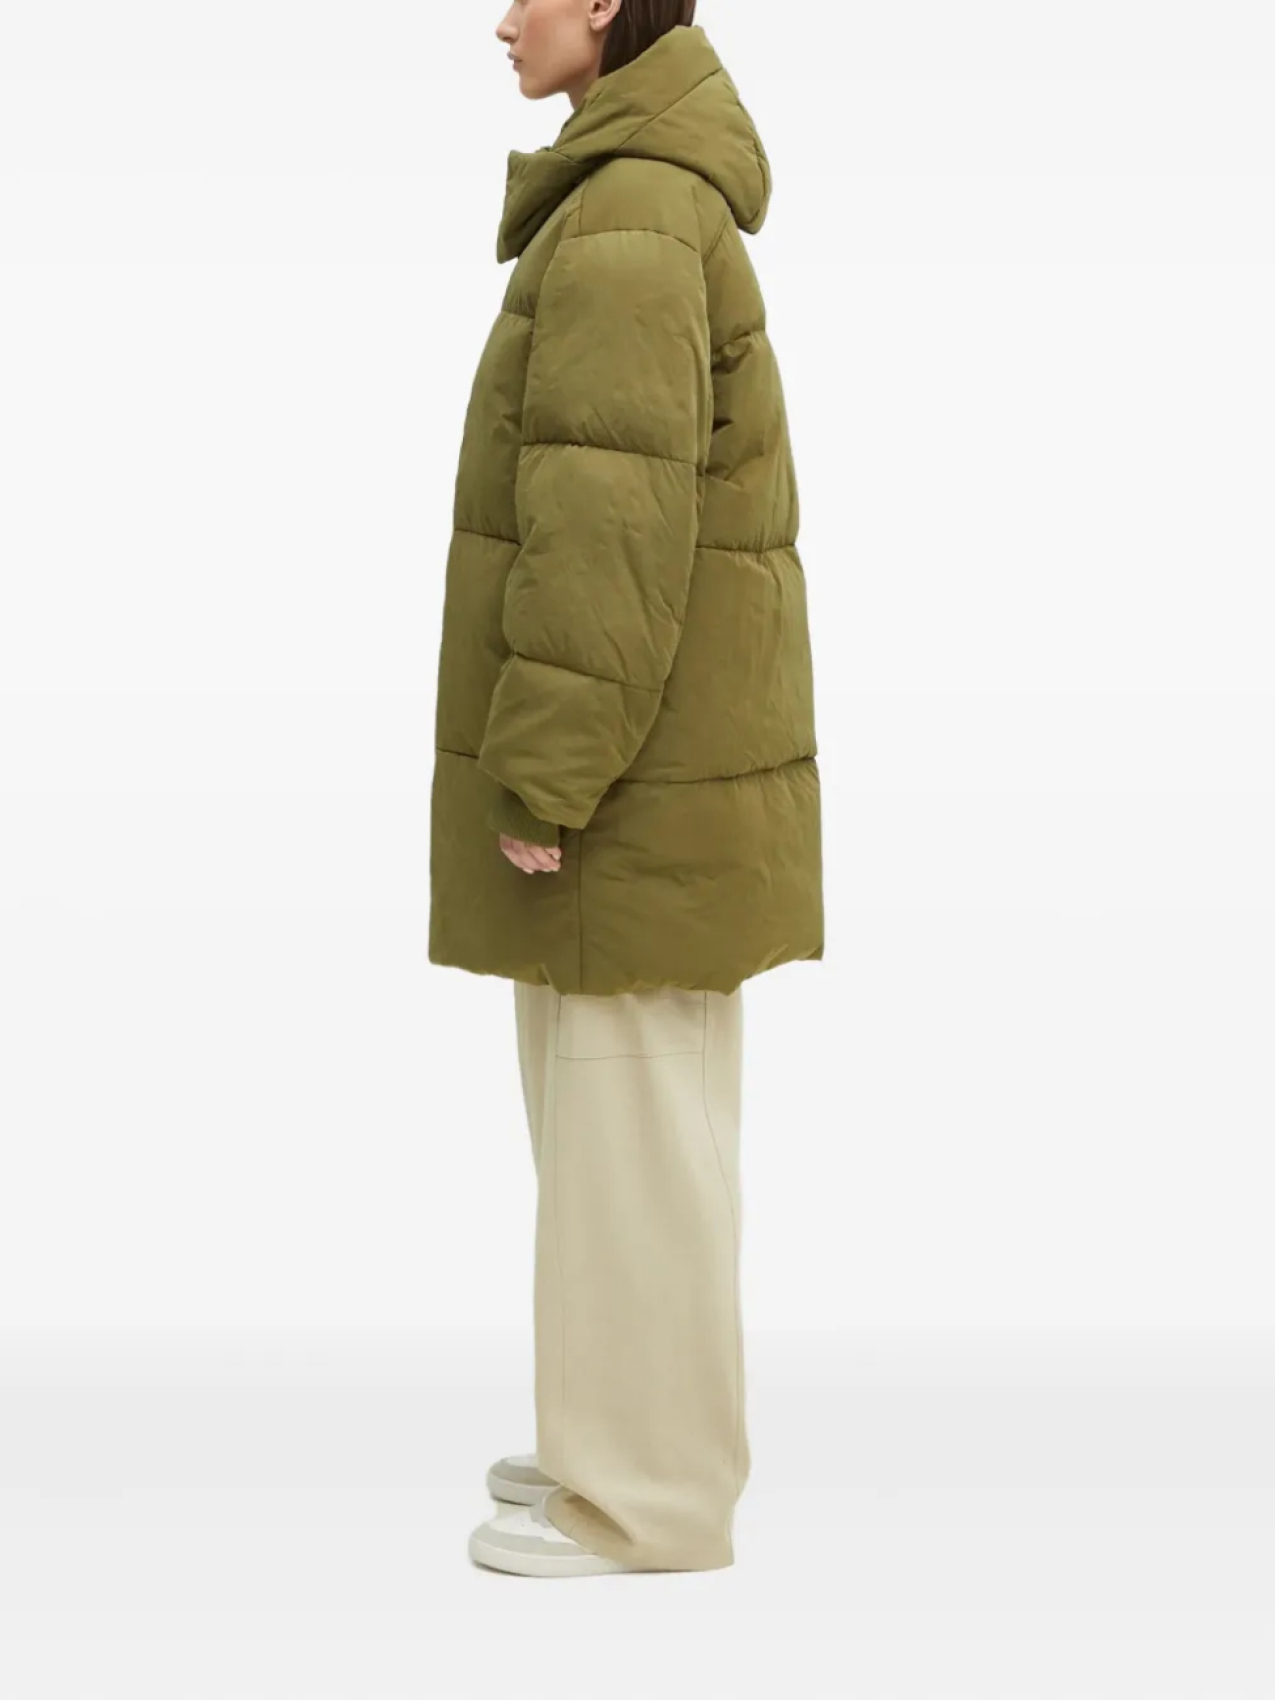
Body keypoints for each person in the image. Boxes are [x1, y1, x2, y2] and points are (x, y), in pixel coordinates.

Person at [428, 0, 824, 1576]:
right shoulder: (631, 194)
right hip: (658, 778)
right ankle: (618, 1438)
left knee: (632, 1143)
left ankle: (645, 1500)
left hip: (633, 789)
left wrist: (547, 773)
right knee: (623, 1134)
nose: (498, 21)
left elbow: (607, 534)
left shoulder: (633, 217)